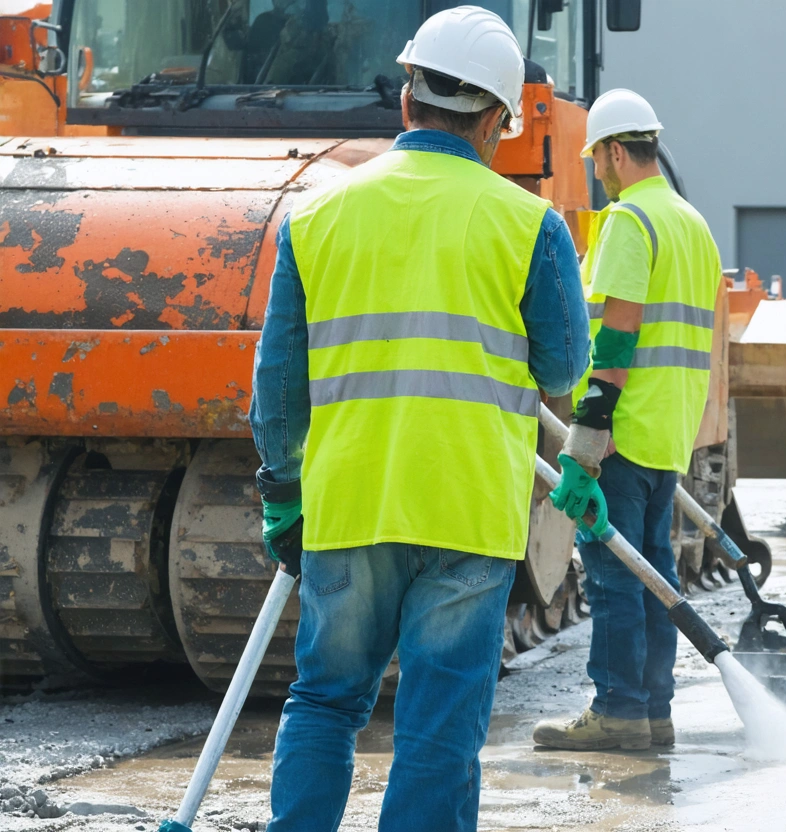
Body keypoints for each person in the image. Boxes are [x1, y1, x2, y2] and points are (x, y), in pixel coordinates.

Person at [248, 7, 588, 830]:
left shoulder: (316, 217)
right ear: (501, 122)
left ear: (407, 99)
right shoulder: (529, 225)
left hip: (349, 505)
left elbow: (279, 390)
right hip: (467, 510)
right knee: (438, 730)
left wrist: (281, 492)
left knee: (325, 701)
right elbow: (564, 367)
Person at [533, 89, 722, 750]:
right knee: (654, 575)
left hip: (623, 429)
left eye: (598, 160)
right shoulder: (691, 224)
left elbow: (617, 337)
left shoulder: (628, 222)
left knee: (613, 576)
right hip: (668, 430)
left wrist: (585, 439)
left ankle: (617, 709)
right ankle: (653, 710)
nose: (597, 172)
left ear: (616, 151)